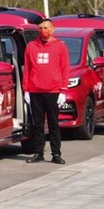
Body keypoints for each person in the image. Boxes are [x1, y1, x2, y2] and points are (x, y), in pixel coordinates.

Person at [23, 19, 70, 164]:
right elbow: (27, 69)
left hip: (53, 91)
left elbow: (65, 69)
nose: (42, 30)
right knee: (37, 124)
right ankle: (38, 152)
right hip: (35, 90)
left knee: (53, 124)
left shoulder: (60, 47)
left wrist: (63, 90)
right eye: (40, 28)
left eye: (45, 28)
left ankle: (56, 153)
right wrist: (26, 90)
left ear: (52, 29)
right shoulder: (31, 46)